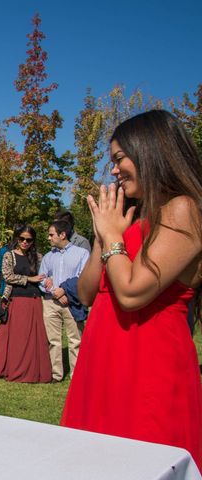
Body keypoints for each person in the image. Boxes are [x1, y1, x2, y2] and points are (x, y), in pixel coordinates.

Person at [61, 110, 202, 469]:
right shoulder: (132, 218)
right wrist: (103, 235)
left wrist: (111, 236)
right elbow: (89, 292)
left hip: (148, 360)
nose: (113, 170)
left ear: (151, 152)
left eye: (120, 159)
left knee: (142, 463)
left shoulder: (183, 209)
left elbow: (132, 292)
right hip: (103, 354)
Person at [0, 225, 51, 383]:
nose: (25, 242)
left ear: (33, 241)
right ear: (17, 238)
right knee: (17, 338)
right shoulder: (9, 255)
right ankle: (14, 368)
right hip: (16, 299)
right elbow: (7, 276)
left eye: (28, 240)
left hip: (34, 299)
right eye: (22, 238)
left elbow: (44, 276)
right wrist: (29, 279)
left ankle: (33, 371)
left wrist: (47, 280)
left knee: (33, 338)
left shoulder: (38, 257)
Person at [38, 220, 89, 382]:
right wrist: (56, 292)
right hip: (50, 303)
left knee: (76, 341)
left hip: (72, 303)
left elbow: (83, 277)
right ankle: (56, 374)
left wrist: (65, 290)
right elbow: (42, 279)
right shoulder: (48, 257)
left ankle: (77, 376)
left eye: (51, 234)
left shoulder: (81, 254)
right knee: (53, 340)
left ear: (62, 235)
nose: (48, 238)